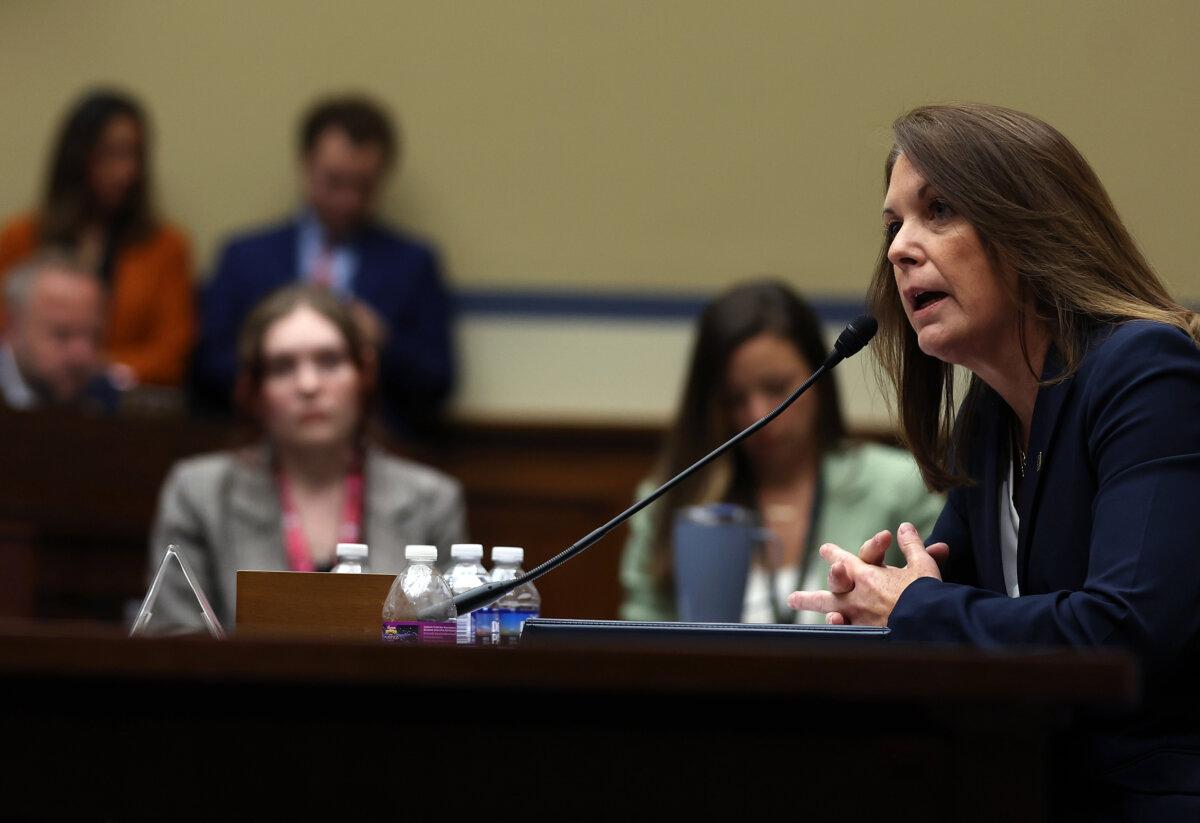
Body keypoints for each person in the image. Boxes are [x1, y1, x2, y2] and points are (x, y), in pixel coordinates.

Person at [788, 103, 1200, 818]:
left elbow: (1126, 632)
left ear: (1031, 228)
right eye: (893, 225)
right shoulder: (991, 414)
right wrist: (876, 603)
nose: (898, 250)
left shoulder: (1146, 374)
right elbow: (953, 611)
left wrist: (913, 605)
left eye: (937, 210)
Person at [619, 280, 942, 623]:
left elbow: (936, 621)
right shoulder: (669, 499)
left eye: (776, 389)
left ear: (819, 379)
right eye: (734, 399)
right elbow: (643, 635)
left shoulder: (899, 487)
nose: (758, 416)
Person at [149, 285, 466, 633]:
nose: (309, 384)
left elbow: (445, 646)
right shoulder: (198, 493)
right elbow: (174, 644)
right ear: (254, 390)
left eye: (329, 361)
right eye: (283, 367)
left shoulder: (432, 499)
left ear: (364, 374)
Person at [192, 94, 454, 437]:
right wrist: (276, 357)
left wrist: (382, 342)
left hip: (376, 448)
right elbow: (206, 367)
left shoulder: (413, 263)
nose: (348, 199)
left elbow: (439, 381)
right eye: (334, 181)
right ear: (306, 164)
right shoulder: (245, 257)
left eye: (363, 185)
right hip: (259, 442)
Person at [0, 89, 195, 387]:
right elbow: (7, 331)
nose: (126, 170)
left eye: (134, 155)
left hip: (123, 407)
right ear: (79, 156)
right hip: (26, 399)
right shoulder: (20, 237)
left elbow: (172, 350)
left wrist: (97, 368)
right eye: (112, 153)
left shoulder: (166, 246)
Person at [0, 251, 119, 412]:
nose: (81, 355)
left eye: (94, 337)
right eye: (62, 334)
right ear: (12, 324)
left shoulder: (108, 402)